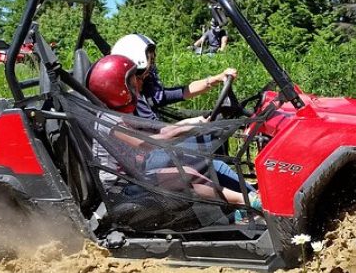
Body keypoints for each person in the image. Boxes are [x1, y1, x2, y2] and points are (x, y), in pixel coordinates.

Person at [86, 54, 260, 211]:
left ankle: (244, 203)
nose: (137, 86)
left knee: (189, 173)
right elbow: (148, 143)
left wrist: (198, 123)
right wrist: (187, 129)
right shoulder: (110, 121)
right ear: (117, 88)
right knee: (187, 175)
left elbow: (163, 129)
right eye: (132, 82)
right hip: (119, 188)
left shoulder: (118, 114)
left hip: (132, 177)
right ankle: (248, 202)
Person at [111, 33, 236, 121]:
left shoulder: (147, 95)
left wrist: (217, 78)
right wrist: (191, 124)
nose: (150, 71)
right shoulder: (133, 102)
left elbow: (184, 91)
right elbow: (161, 133)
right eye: (148, 65)